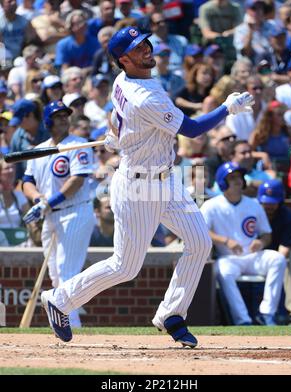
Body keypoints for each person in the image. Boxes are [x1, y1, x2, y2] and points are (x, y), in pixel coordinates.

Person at [40, 26, 254, 345]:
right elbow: (193, 130)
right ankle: (61, 298)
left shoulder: (125, 80)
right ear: (123, 59)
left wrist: (119, 136)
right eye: (138, 48)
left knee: (199, 242)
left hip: (165, 178)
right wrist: (227, 108)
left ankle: (171, 313)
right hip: (139, 186)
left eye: (146, 43)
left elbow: (116, 114)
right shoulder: (145, 97)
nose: (147, 49)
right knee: (125, 266)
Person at [22, 100, 95, 328]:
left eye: (65, 115)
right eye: (58, 115)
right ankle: (64, 321)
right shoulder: (39, 149)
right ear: (48, 121)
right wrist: (37, 200)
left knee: (67, 271)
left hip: (75, 211)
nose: (63, 118)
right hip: (50, 214)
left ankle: (71, 324)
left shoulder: (79, 144)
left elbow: (77, 180)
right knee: (55, 273)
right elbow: (27, 181)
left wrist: (49, 202)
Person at [200, 162, 286, 325]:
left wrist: (260, 242)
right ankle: (243, 319)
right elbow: (202, 232)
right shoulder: (211, 205)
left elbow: (267, 234)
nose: (238, 181)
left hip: (253, 257)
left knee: (278, 259)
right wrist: (225, 240)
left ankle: (267, 314)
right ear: (223, 182)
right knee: (224, 271)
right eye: (232, 178)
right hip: (229, 258)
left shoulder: (253, 203)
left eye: (239, 177)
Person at [257, 179, 291, 316]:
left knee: (289, 261)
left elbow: (284, 251)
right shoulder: (252, 211)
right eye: (266, 202)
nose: (269, 205)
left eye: (273, 202)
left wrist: (276, 262)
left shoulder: (287, 216)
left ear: (280, 200)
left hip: (277, 254)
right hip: (254, 256)